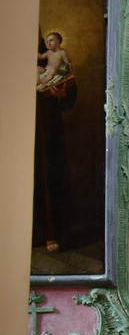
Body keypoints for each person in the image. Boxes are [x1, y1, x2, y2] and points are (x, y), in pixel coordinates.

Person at [35, 32, 76, 255]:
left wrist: (56, 90)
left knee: (48, 169)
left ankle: (52, 231)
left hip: (45, 120)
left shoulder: (52, 53)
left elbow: (68, 79)